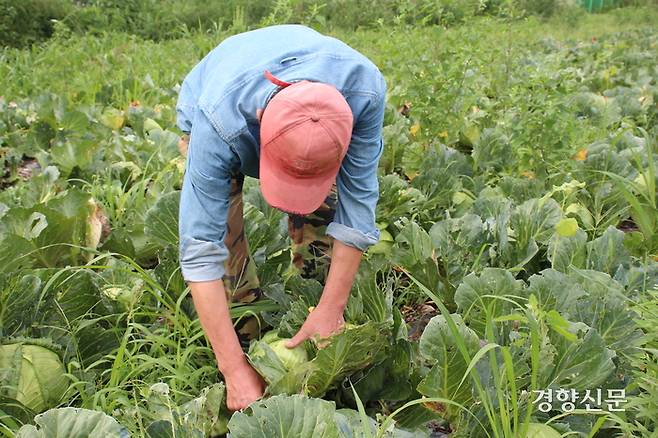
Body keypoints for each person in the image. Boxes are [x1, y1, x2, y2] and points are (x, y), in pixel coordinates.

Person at [176, 24, 386, 411]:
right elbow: (199, 251)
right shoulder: (219, 120)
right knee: (224, 236)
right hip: (218, 98)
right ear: (260, 119)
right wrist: (234, 369)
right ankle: (242, 331)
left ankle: (311, 305)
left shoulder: (364, 93)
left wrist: (331, 307)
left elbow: (358, 208)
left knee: (329, 210)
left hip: (316, 101)